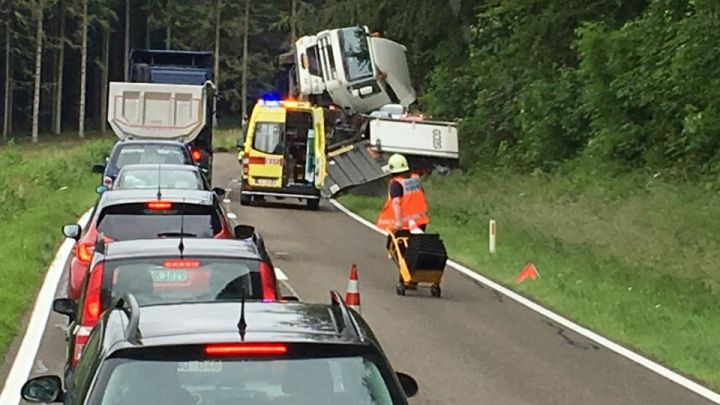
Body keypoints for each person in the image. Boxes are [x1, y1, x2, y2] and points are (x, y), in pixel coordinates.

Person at [376, 154, 429, 233]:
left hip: (404, 225)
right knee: (417, 243)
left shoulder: (396, 183)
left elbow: (396, 203)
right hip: (420, 221)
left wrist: (398, 222)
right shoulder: (415, 178)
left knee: (400, 243)